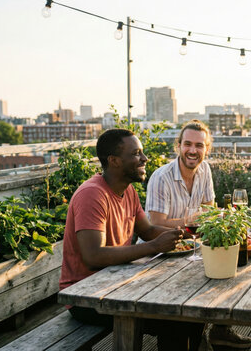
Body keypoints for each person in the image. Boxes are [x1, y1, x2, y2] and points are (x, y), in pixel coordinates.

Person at [59, 128, 202, 351]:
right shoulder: (92, 195)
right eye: (136, 153)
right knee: (176, 318)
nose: (145, 158)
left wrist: (187, 235)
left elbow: (147, 230)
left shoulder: (128, 191)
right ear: (114, 161)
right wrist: (154, 246)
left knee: (192, 307)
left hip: (117, 282)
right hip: (85, 296)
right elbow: (93, 257)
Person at [146, 120, 251, 350]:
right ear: (178, 146)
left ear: (207, 149)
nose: (192, 150)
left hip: (192, 248)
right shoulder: (161, 177)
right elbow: (155, 224)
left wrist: (215, 224)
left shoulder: (204, 170)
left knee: (233, 266)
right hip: (160, 256)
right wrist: (189, 222)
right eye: (187, 144)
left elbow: (210, 210)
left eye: (199, 145)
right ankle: (203, 335)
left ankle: (218, 329)